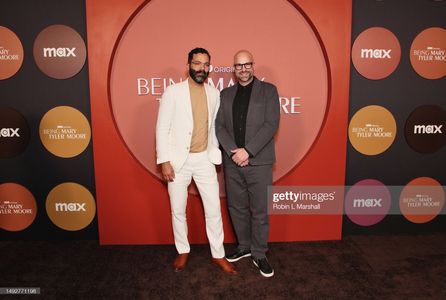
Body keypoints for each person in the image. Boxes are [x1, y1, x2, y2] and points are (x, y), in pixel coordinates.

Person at [156, 47, 236, 274]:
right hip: (178, 161)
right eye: (197, 63)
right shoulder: (173, 92)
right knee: (177, 209)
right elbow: (162, 128)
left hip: (205, 159)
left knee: (213, 210)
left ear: (210, 67)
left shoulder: (214, 94)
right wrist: (164, 160)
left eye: (206, 64)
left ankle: (218, 254)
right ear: (188, 64)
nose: (202, 68)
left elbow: (215, 127)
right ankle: (183, 250)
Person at [216, 50, 280, 277]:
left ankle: (259, 252)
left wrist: (248, 151)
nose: (243, 69)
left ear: (253, 65)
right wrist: (235, 152)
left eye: (247, 64)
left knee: (260, 210)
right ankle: (244, 246)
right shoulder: (225, 94)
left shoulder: (269, 91)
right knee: (236, 206)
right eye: (238, 66)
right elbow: (219, 126)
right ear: (233, 69)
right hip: (233, 161)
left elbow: (271, 124)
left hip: (259, 161)